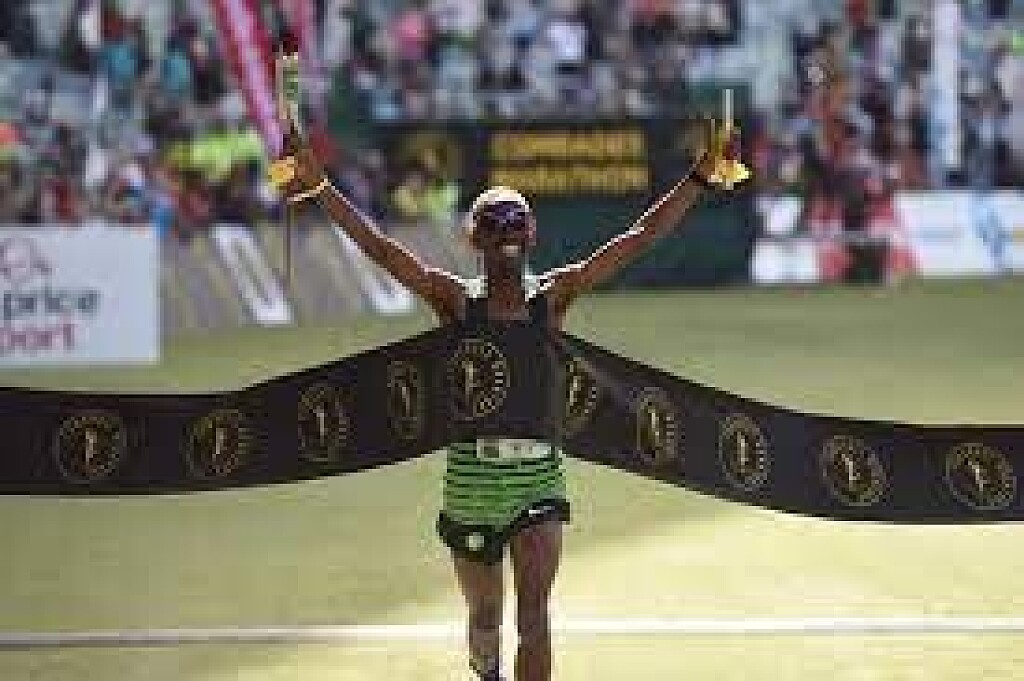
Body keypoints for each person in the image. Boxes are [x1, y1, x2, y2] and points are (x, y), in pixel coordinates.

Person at [275, 114, 739, 681]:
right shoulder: (454, 302)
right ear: (475, 239)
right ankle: (486, 668)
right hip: (471, 486)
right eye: (495, 222)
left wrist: (699, 177)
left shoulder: (553, 297)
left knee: (535, 617)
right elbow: (381, 250)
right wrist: (321, 186)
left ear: (531, 234)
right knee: (485, 615)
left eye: (516, 219)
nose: (507, 230)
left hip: (538, 480)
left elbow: (638, 238)